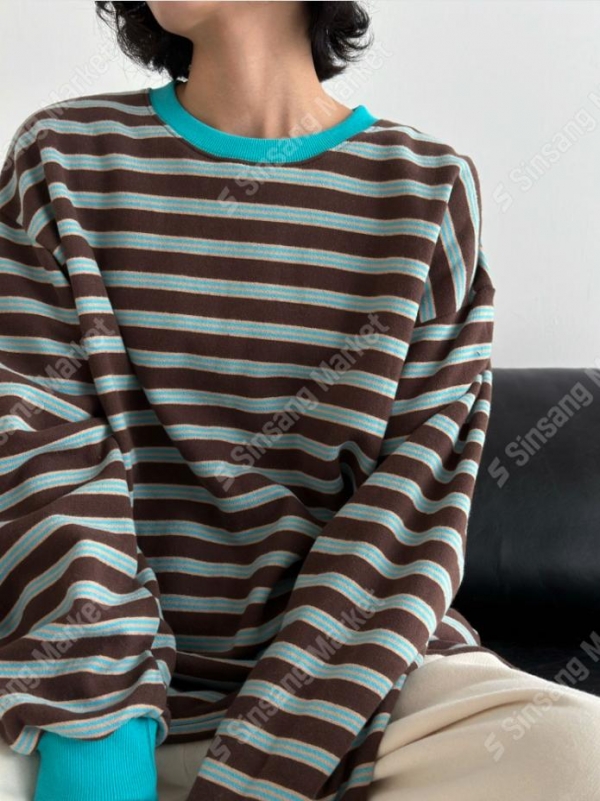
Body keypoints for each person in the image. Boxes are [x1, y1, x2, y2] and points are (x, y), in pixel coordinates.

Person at [0, 2, 599, 800]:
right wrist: (101, 748)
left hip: (355, 689)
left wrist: (265, 769)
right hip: (86, 695)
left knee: (577, 755)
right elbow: (43, 459)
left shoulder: (427, 189)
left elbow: (404, 524)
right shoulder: (60, 157)